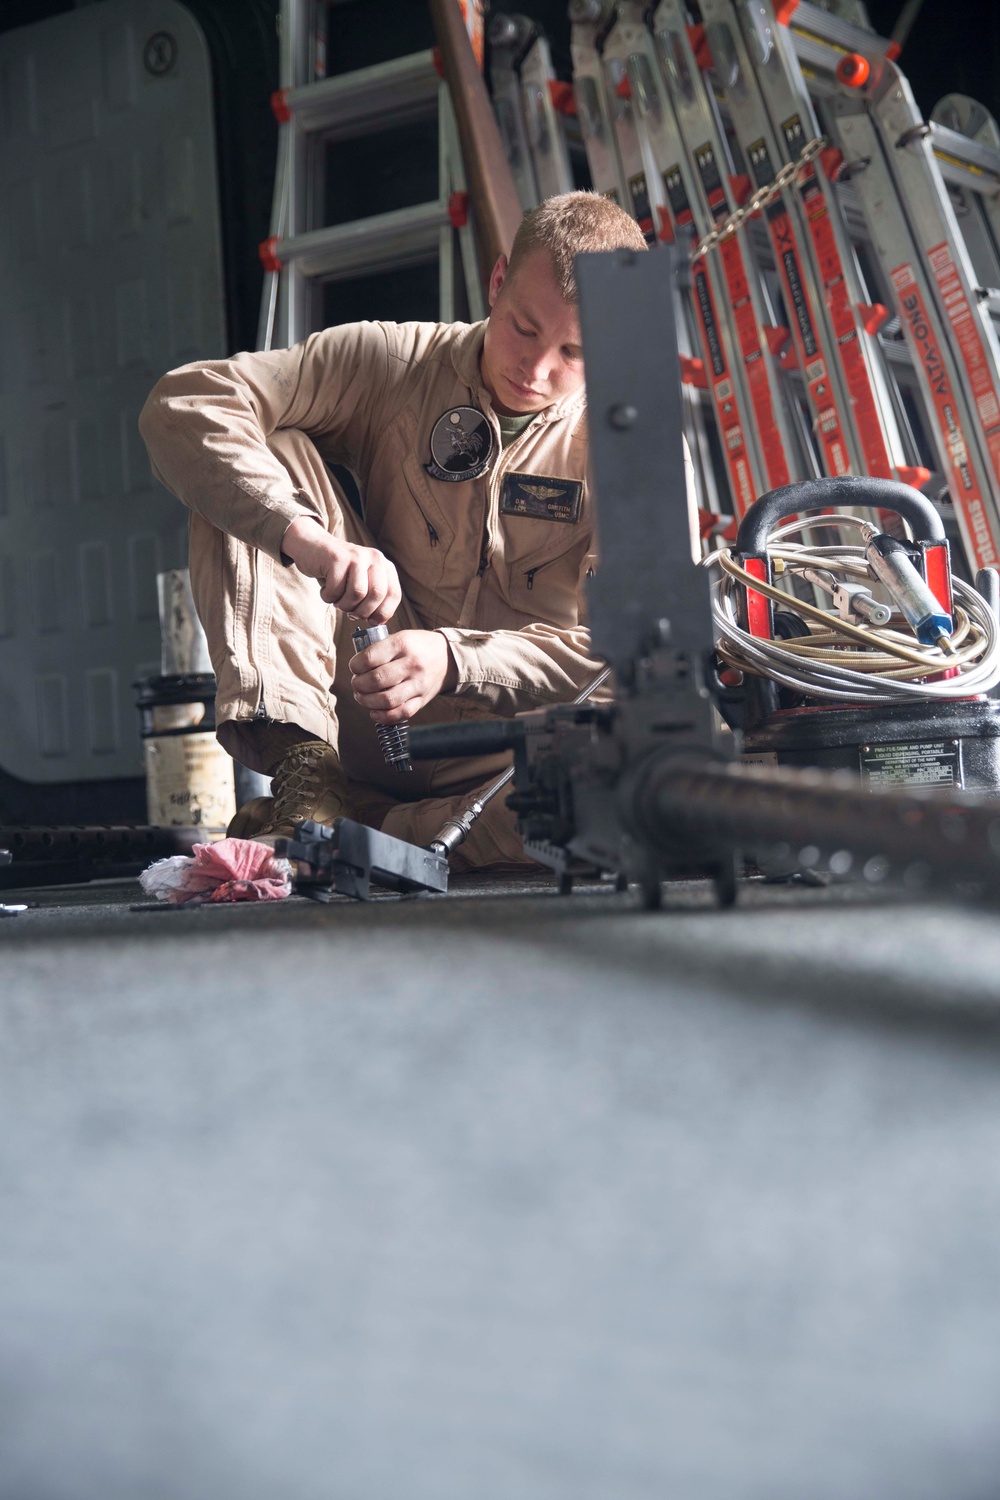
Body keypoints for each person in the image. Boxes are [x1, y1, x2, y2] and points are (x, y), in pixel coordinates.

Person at [139, 191, 650, 867]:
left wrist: (456, 658)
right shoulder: (393, 361)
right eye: (524, 327)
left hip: (507, 767)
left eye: (574, 352)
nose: (536, 368)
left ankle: (346, 835)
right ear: (497, 283)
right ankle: (308, 779)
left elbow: (625, 655)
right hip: (359, 715)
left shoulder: (633, 444)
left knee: (632, 789)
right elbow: (187, 403)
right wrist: (309, 541)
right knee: (255, 463)